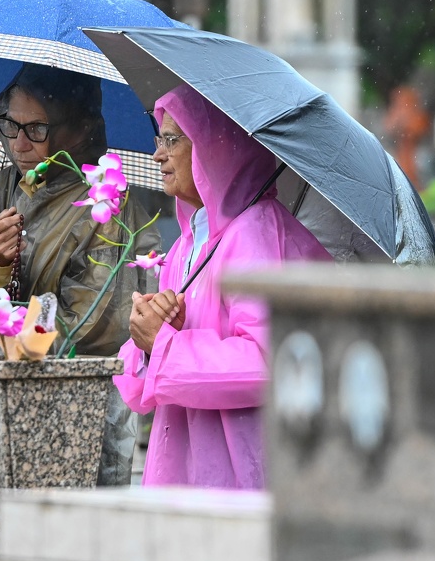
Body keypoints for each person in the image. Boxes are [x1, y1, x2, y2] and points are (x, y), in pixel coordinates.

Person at [0, 64, 160, 508]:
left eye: (36, 129)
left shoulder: (106, 204)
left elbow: (89, 332)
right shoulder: (6, 186)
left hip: (70, 407)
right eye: (10, 125)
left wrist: (9, 325)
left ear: (80, 128)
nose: (19, 144)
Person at [113, 84, 333, 490]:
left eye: (172, 140)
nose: (158, 154)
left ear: (213, 146)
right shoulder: (189, 242)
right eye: (158, 138)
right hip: (185, 471)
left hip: (238, 474)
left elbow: (271, 362)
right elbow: (145, 380)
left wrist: (163, 346)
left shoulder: (254, 232)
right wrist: (149, 337)